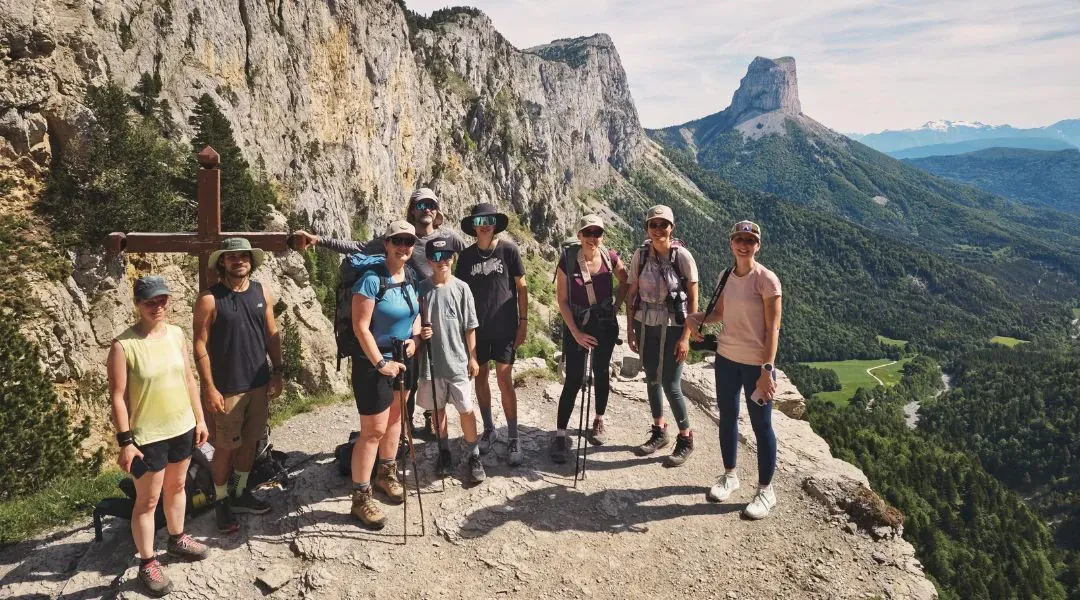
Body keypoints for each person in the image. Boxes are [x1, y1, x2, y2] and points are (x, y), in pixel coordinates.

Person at [293, 188, 464, 438]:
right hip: (407, 314)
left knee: (433, 369)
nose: (426, 209)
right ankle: (402, 427)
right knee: (408, 369)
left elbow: (469, 257)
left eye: (431, 204)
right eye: (420, 204)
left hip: (437, 312)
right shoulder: (399, 237)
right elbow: (358, 247)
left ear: (437, 209)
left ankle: (430, 418)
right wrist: (319, 240)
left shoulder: (449, 236)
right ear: (412, 209)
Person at [108, 276, 210, 596]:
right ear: (137, 304)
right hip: (147, 436)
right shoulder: (123, 346)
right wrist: (126, 442)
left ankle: (177, 539)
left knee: (177, 487)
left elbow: (189, 379)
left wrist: (200, 419)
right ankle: (148, 561)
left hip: (182, 427)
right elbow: (117, 397)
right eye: (150, 302)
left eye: (162, 300)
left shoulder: (176, 334)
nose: (158, 307)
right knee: (147, 501)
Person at [686, 220, 782, 519]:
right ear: (731, 243)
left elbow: (773, 329)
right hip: (726, 358)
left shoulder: (767, 280)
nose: (744, 245)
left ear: (758, 246)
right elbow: (719, 313)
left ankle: (766, 491)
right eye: (739, 239)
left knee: (761, 426)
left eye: (750, 241)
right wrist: (694, 319)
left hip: (756, 364)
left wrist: (767, 370)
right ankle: (730, 476)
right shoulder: (725, 275)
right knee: (727, 418)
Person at [193, 238, 283, 534]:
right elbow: (200, 345)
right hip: (227, 387)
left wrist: (278, 372)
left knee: (250, 442)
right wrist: (209, 388)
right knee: (224, 448)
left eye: (244, 256)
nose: (239, 260)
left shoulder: (261, 291)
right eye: (232, 257)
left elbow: (271, 333)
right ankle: (221, 500)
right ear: (222, 262)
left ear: (250, 261)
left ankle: (240, 491)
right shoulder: (209, 299)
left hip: (258, 383)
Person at [347, 220, 422, 528]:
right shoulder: (370, 279)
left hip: (404, 358)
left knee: (396, 419)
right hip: (373, 362)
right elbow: (360, 327)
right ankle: (360, 497)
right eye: (398, 241)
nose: (404, 247)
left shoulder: (411, 275)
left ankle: (385, 474)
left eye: (409, 242)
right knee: (372, 431)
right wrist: (381, 364)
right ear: (387, 244)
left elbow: (416, 314)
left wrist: (415, 339)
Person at [624, 205, 700, 467]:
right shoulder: (641, 255)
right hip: (645, 323)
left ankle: (686, 437)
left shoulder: (683, 257)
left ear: (672, 227)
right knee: (652, 378)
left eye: (663, 225)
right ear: (647, 228)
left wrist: (686, 336)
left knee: (671, 382)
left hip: (675, 325)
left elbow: (693, 299)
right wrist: (630, 329)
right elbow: (631, 292)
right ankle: (659, 430)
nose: (658, 230)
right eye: (653, 225)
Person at [549, 215, 628, 463]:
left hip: (604, 324)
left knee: (601, 372)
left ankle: (598, 420)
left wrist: (616, 306)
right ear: (580, 235)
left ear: (602, 236)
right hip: (578, 325)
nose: (593, 238)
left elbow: (626, 280)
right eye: (588, 233)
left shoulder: (609, 257)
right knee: (573, 378)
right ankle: (560, 434)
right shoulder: (568, 260)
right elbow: (562, 300)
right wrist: (575, 333)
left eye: (597, 233)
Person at [455, 203, 528, 467]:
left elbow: (521, 287)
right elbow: (460, 293)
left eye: (489, 220)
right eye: (479, 221)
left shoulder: (509, 250)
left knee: (504, 379)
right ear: (473, 227)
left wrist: (523, 322)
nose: (484, 225)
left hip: (505, 328)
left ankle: (513, 436)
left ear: (495, 224)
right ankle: (489, 428)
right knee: (481, 376)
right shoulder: (466, 257)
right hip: (477, 329)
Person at [416, 236, 486, 483]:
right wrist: (420, 333)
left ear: (453, 258)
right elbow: (413, 324)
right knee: (437, 411)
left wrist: (473, 358)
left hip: (457, 361)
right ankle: (444, 451)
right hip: (431, 362)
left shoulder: (462, 288)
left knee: (466, 409)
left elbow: (470, 327)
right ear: (428, 261)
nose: (441, 261)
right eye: (436, 257)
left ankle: (473, 454)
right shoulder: (421, 289)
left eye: (446, 256)